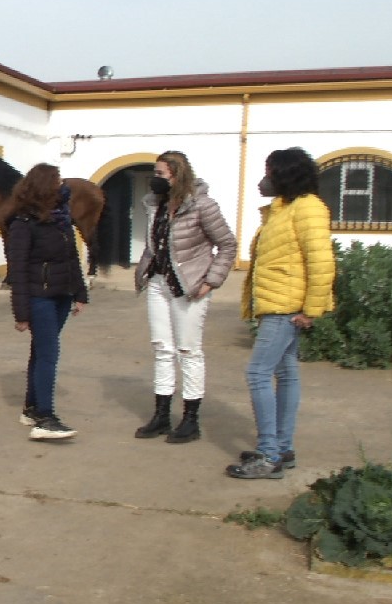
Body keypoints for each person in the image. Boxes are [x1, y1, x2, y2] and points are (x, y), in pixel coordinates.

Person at [227, 147, 335, 479]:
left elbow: (321, 263)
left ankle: (269, 456)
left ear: (286, 174)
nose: (265, 178)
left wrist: (311, 310)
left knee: (258, 374)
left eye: (271, 171)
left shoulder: (308, 209)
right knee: (285, 373)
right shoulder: (283, 209)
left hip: (285, 308)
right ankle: (282, 448)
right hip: (277, 304)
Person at [133, 151, 237, 444]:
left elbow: (227, 245)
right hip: (158, 283)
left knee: (189, 351)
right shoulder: (155, 205)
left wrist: (211, 281)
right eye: (155, 173)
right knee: (162, 348)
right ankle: (162, 415)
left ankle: (190, 420)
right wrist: (144, 271)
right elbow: (155, 244)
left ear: (178, 175)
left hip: (188, 286)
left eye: (161, 174)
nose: (156, 179)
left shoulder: (203, 206)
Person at [6, 163, 89, 440]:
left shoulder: (62, 218)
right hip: (39, 298)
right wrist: (21, 312)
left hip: (62, 295)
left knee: (41, 352)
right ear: (44, 186)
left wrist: (80, 293)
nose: (62, 186)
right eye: (57, 181)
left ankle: (31, 409)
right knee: (49, 354)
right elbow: (16, 270)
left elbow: (71, 258)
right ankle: (45, 417)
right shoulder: (22, 223)